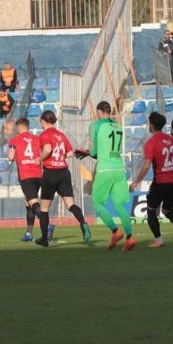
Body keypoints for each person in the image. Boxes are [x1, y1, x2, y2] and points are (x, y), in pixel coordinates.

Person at [75, 101, 135, 251]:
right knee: (119, 206)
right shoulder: (118, 126)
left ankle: (115, 232)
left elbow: (94, 152)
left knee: (97, 203)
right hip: (119, 169)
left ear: (99, 112)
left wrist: (86, 152)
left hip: (104, 169)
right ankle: (129, 237)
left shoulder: (95, 125)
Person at [129, 112, 173, 248]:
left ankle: (159, 240)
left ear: (151, 125)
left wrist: (136, 182)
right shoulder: (172, 141)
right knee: (167, 210)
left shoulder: (151, 142)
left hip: (161, 181)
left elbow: (146, 166)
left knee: (151, 210)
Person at [34, 110, 90, 247]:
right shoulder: (61, 135)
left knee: (44, 208)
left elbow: (47, 149)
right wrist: (59, 157)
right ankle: (83, 223)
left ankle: (44, 239)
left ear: (43, 121)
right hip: (64, 172)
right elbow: (70, 153)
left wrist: (39, 159)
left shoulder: (44, 135)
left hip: (51, 172)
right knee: (70, 204)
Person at [8, 117, 43, 242]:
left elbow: (11, 157)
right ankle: (29, 233)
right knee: (29, 203)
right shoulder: (37, 139)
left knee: (33, 203)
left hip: (26, 175)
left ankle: (47, 224)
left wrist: (12, 154)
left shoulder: (14, 140)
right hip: (38, 174)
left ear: (19, 127)